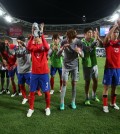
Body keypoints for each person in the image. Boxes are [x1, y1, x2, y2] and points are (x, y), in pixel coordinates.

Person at [26, 23, 51, 117]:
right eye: (35, 37)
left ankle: (47, 107)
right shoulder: (32, 48)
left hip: (44, 73)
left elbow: (47, 47)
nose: (37, 38)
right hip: (34, 73)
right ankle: (31, 108)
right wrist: (32, 35)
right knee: (32, 91)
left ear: (41, 38)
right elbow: (28, 47)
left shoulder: (44, 48)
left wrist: (42, 34)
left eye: (38, 37)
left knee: (47, 91)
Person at [57, 29, 83, 110]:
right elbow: (58, 55)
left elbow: (83, 56)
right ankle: (62, 103)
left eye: (69, 38)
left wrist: (79, 52)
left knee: (74, 84)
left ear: (74, 37)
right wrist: (62, 49)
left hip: (75, 66)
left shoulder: (78, 42)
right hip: (65, 66)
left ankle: (73, 101)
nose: (68, 40)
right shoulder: (64, 41)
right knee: (64, 84)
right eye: (67, 37)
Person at [102, 21, 120, 113]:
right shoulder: (108, 43)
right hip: (108, 68)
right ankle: (105, 105)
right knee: (106, 87)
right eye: (114, 32)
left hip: (117, 69)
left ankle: (113, 103)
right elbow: (106, 38)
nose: (116, 33)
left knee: (114, 87)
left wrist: (118, 26)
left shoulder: (119, 43)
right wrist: (114, 26)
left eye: (117, 32)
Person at [81, 27, 100, 105]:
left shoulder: (93, 40)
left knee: (95, 81)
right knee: (87, 82)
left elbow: (98, 44)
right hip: (86, 64)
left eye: (92, 32)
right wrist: (95, 40)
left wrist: (97, 40)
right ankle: (87, 98)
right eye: (89, 32)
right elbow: (87, 49)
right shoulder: (82, 42)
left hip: (94, 63)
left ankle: (94, 95)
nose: (91, 34)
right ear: (85, 34)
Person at [15, 35, 31, 104]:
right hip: (20, 70)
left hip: (28, 70)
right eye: (18, 42)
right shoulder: (17, 49)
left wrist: (23, 44)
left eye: (20, 41)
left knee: (30, 85)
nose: (19, 43)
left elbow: (28, 50)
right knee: (21, 85)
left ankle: (30, 96)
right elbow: (17, 56)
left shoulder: (27, 48)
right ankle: (25, 97)